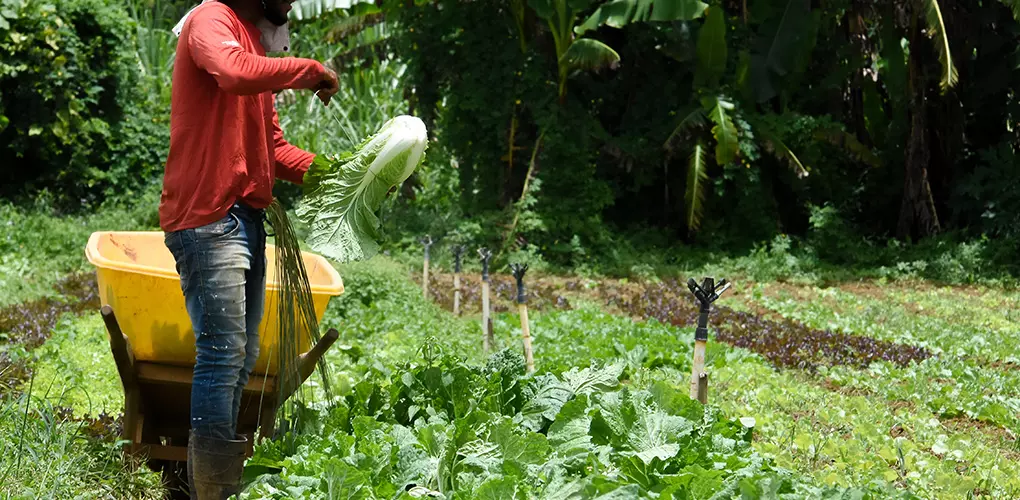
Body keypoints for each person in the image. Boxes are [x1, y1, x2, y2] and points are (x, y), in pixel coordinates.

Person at [158, 0, 338, 497]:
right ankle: (212, 492)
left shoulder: (253, 46)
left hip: (247, 217)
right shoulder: (211, 18)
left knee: (242, 354)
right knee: (223, 351)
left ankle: (218, 483)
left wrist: (342, 172)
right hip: (209, 213)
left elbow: (274, 149)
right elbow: (233, 72)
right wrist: (307, 71)